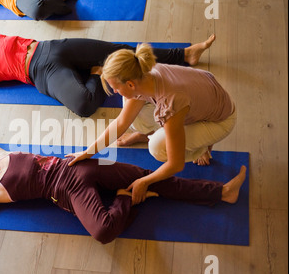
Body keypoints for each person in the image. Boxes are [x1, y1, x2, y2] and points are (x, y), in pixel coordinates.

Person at [0, 136, 247, 244]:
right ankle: (124, 197)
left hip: (80, 166)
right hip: (68, 191)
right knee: (103, 231)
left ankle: (220, 192)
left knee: (152, 178)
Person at [66, 35, 237, 204]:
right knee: (132, 115)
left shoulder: (170, 102)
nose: (115, 92)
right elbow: (121, 123)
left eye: (116, 88)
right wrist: (87, 152)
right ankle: (154, 133)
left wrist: (145, 181)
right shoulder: (144, 74)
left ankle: (202, 147)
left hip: (219, 121)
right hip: (203, 99)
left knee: (157, 147)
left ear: (130, 84)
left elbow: (175, 164)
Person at [0, 33, 214, 117]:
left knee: (120, 50)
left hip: (52, 48)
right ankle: (98, 75)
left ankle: (184, 55)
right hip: (41, 71)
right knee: (82, 105)